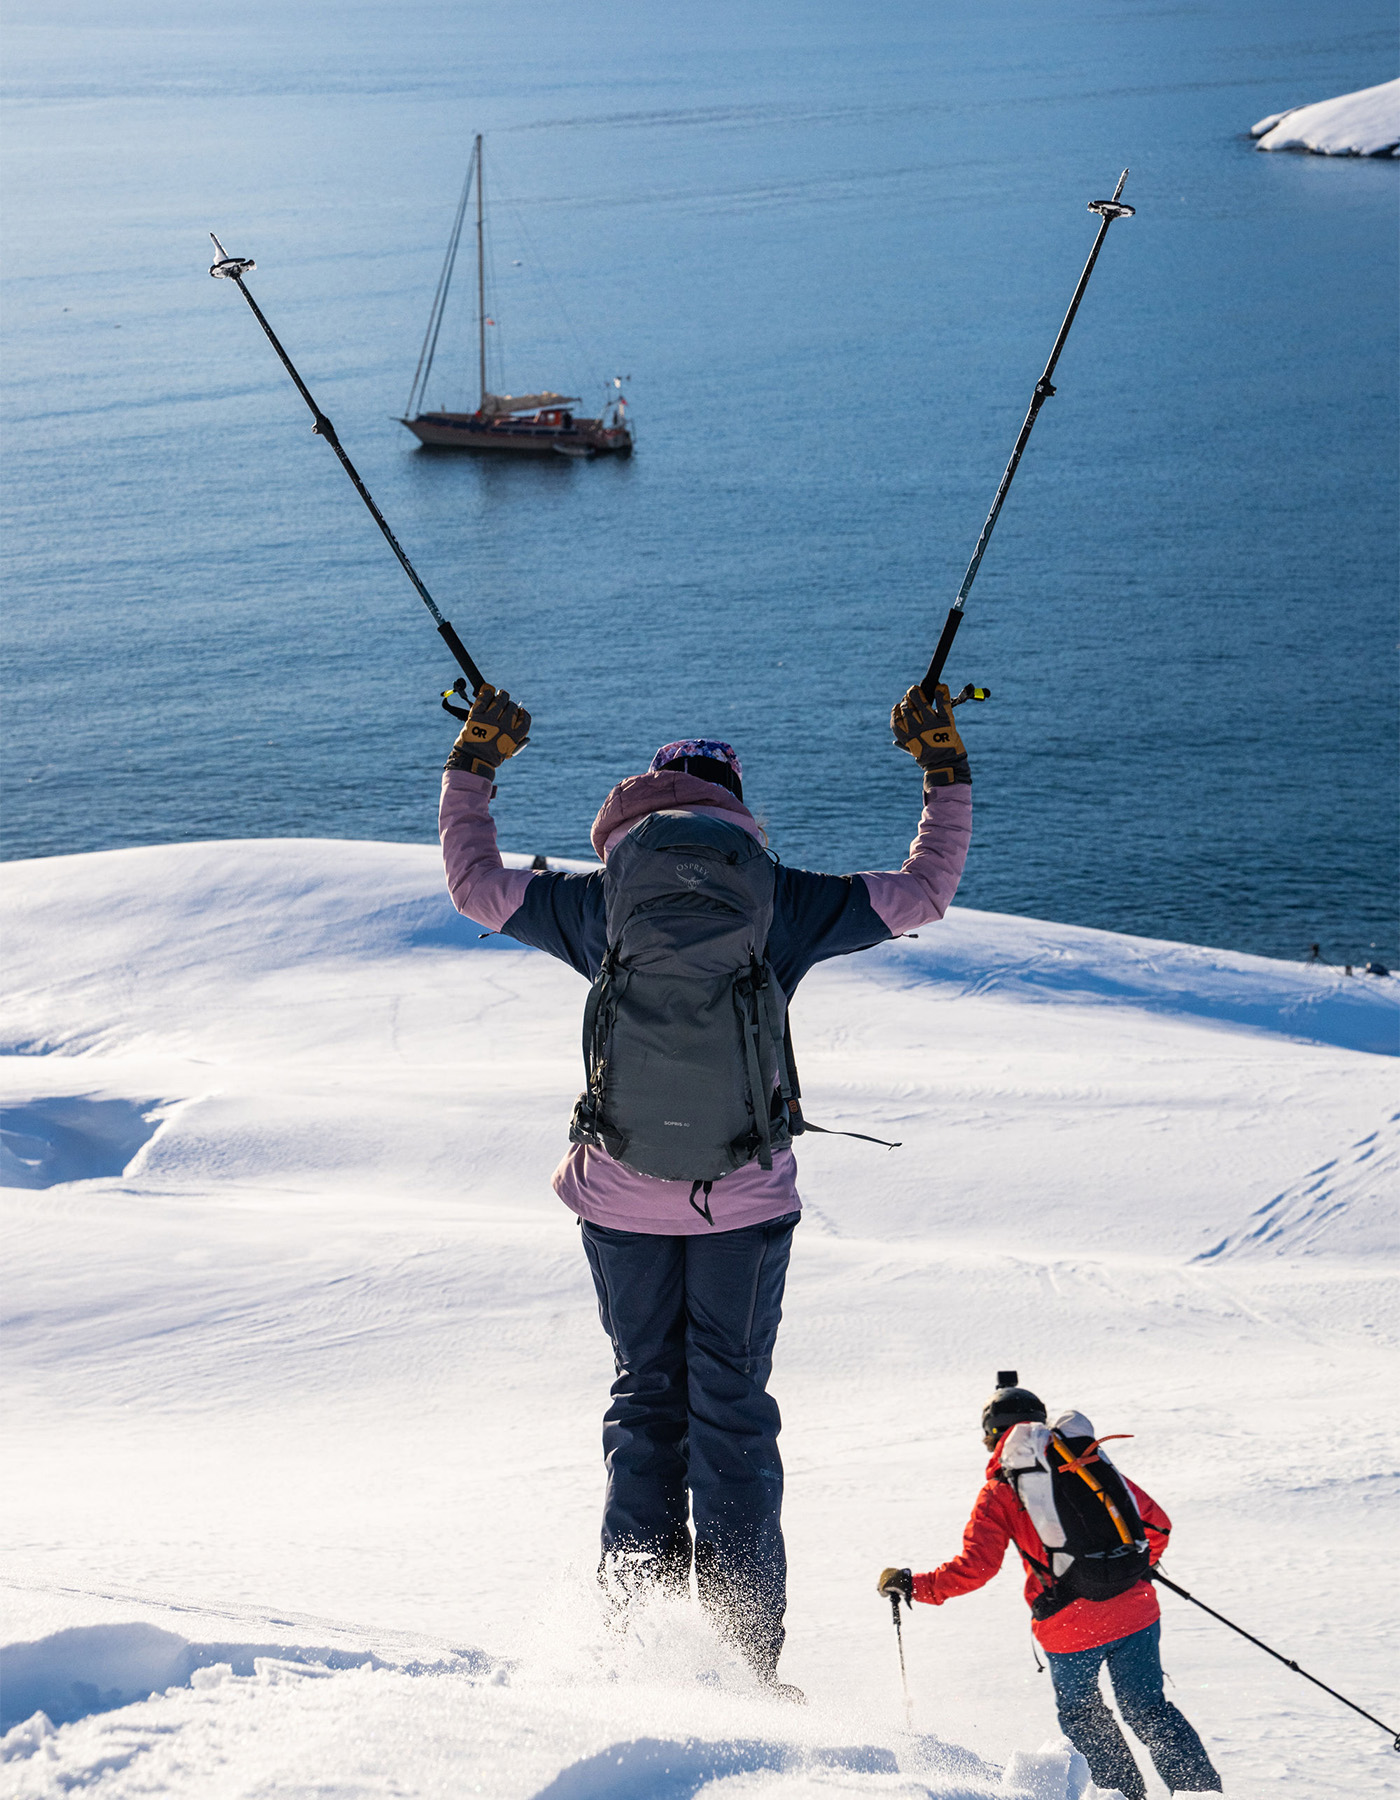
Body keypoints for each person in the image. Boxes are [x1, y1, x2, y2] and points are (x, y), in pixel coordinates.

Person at [440, 681, 972, 1691]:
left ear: (638, 803)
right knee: (730, 1412)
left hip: (617, 1195)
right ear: (736, 804)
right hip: (747, 1201)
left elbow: (472, 884)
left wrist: (474, 765)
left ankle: (633, 1643)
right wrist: (942, 769)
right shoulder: (779, 899)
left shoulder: (598, 901)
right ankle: (741, 1657)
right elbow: (923, 891)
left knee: (646, 1404)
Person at [878, 1379, 1222, 1797]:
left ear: (992, 1436)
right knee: (1150, 1709)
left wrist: (915, 1586)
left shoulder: (1001, 1488)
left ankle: (1121, 1797)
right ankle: (1202, 1794)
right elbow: (1156, 1525)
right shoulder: (1088, 1462)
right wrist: (1120, 1571)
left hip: (1069, 1627)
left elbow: (977, 1568)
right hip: (1137, 1611)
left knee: (1083, 1714)